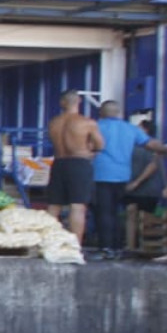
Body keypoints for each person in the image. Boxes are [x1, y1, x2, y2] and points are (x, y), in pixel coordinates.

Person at [94, 99, 167, 255]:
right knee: (116, 212)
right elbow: (151, 144)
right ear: (118, 113)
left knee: (104, 212)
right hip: (122, 177)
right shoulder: (130, 129)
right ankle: (117, 248)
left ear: (101, 113)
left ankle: (105, 248)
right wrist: (164, 149)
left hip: (101, 175)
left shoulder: (95, 127)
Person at [46, 91, 103, 244]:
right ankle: (75, 245)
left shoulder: (53, 122)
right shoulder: (87, 122)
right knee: (77, 206)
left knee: (54, 205)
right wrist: (90, 150)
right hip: (79, 163)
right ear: (79, 101)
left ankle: (48, 242)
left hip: (59, 163)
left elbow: (52, 141)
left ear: (61, 103)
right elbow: (100, 145)